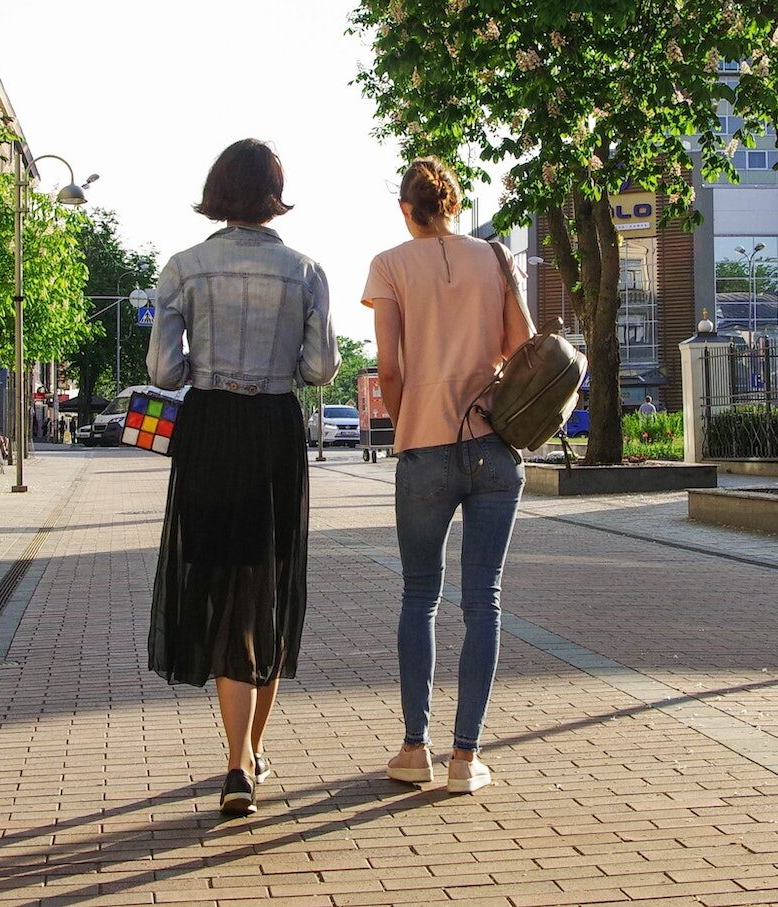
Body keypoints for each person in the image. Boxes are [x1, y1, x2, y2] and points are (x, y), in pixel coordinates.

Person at [147, 138, 340, 817]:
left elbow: (165, 373)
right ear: (272, 194)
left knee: (224, 585)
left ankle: (236, 762)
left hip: (210, 432)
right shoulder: (307, 271)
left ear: (218, 191)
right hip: (272, 434)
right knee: (269, 585)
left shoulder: (183, 268)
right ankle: (250, 754)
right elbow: (319, 370)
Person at [363, 157, 532, 795]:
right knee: (483, 600)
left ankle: (415, 749)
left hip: (425, 447)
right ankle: (467, 758)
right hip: (494, 444)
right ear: (453, 205)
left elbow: (390, 367)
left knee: (418, 597)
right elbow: (522, 347)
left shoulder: (389, 265)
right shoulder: (494, 257)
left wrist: (411, 427)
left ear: (407, 208)